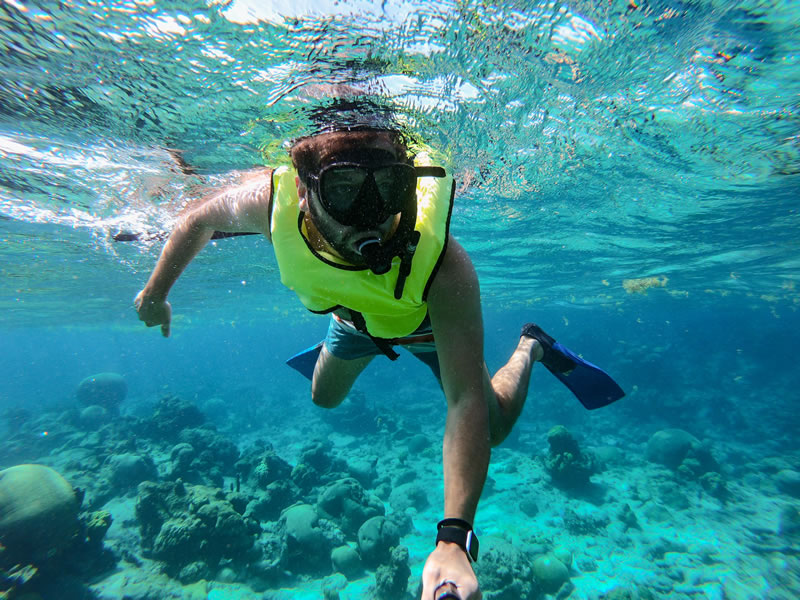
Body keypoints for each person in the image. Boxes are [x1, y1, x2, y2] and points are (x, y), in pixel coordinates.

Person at [134, 120, 597, 600]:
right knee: (323, 398)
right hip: (354, 322)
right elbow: (196, 219)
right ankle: (355, 339)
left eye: (389, 188)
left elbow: (464, 402)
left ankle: (531, 347)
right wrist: (155, 294)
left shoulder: (444, 267)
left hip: (426, 328)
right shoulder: (271, 205)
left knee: (493, 426)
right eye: (345, 188)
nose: (373, 216)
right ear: (304, 189)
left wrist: (454, 538)